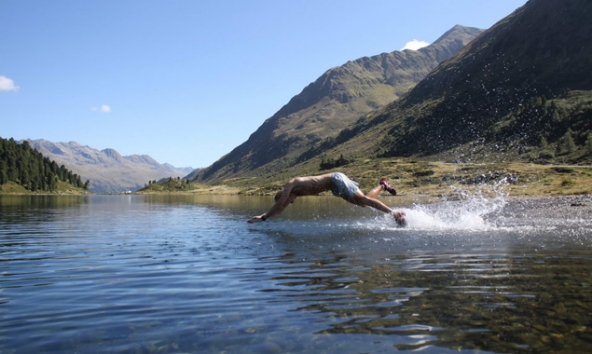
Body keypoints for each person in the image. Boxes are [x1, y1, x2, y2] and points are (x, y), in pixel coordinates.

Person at [247, 172, 406, 225]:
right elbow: (281, 207)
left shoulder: (291, 184)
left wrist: (263, 217)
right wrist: (267, 218)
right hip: (335, 188)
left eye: (288, 200)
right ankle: (383, 185)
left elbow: (280, 203)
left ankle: (395, 214)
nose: (290, 202)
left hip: (335, 179)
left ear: (284, 194)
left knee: (363, 201)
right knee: (363, 202)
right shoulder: (296, 194)